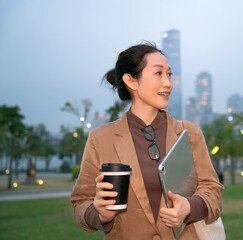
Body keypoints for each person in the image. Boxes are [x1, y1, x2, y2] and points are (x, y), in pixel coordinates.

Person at [70, 42, 224, 239]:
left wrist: (189, 207)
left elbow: (212, 191)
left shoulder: (189, 133)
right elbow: (81, 201)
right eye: (158, 73)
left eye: (169, 74)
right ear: (131, 81)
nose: (168, 83)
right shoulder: (101, 138)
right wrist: (100, 214)